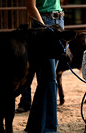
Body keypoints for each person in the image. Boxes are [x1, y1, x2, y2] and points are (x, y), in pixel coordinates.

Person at [22, 0, 64, 132]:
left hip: (59, 20)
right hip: (44, 22)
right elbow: (30, 7)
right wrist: (44, 28)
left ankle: (36, 125)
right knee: (49, 78)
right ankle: (49, 128)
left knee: (47, 79)